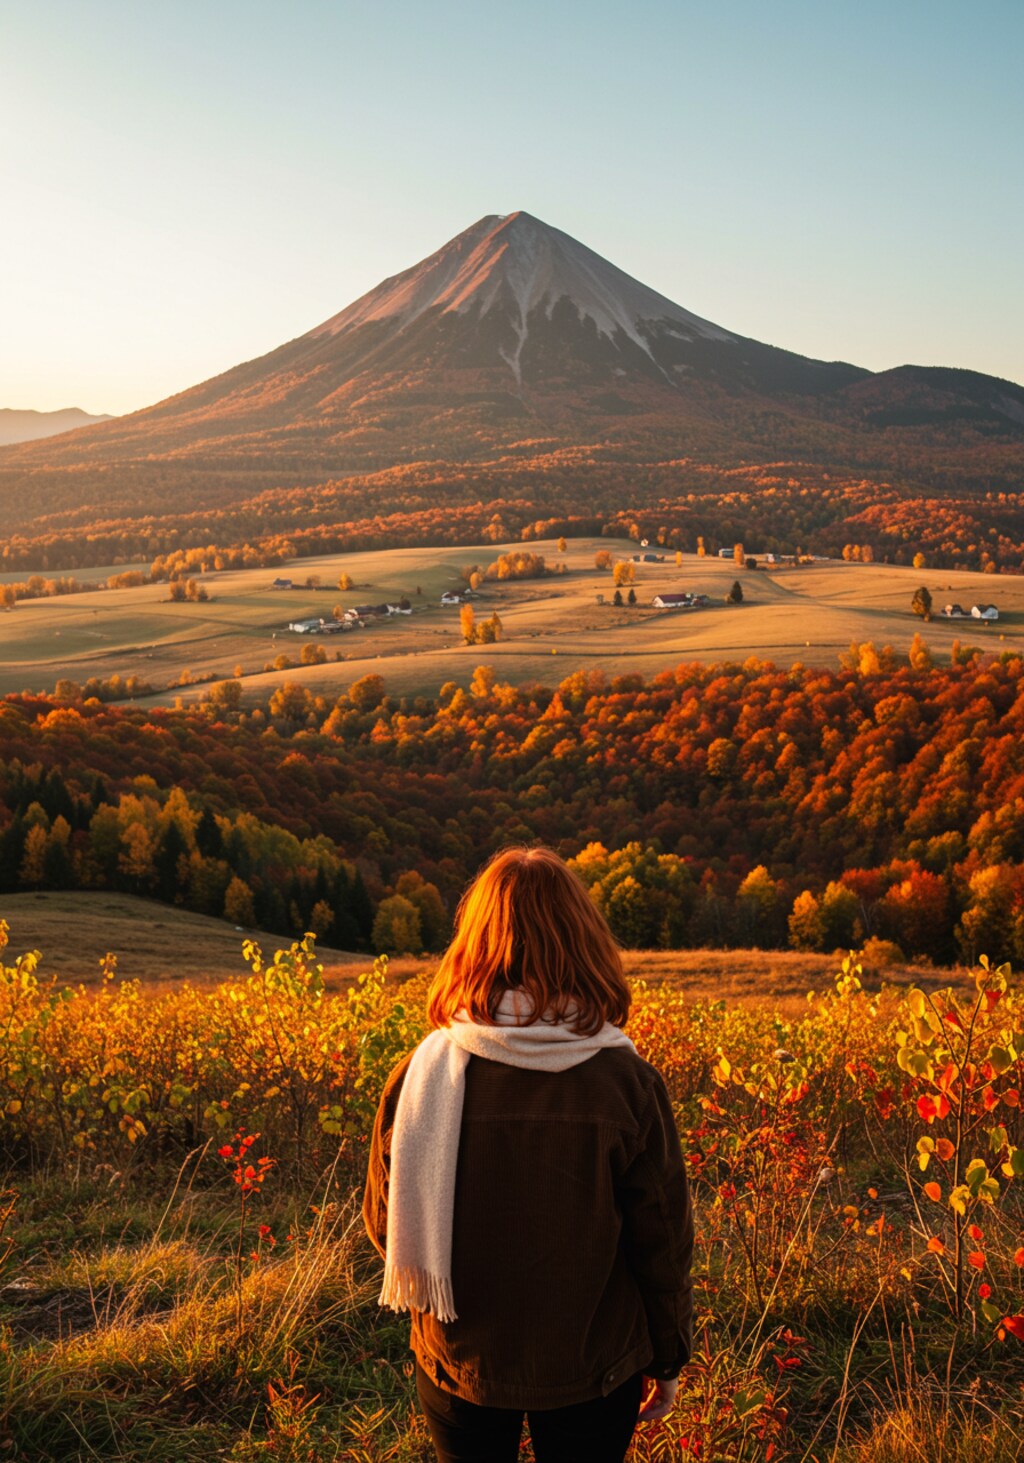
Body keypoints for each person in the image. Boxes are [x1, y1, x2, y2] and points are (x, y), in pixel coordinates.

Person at [363, 845, 693, 1463]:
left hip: (461, 1363)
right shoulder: (626, 1081)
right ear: (585, 942)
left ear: (473, 942)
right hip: (593, 1368)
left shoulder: (421, 1074)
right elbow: (662, 1244)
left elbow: (386, 1226)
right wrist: (667, 1356)